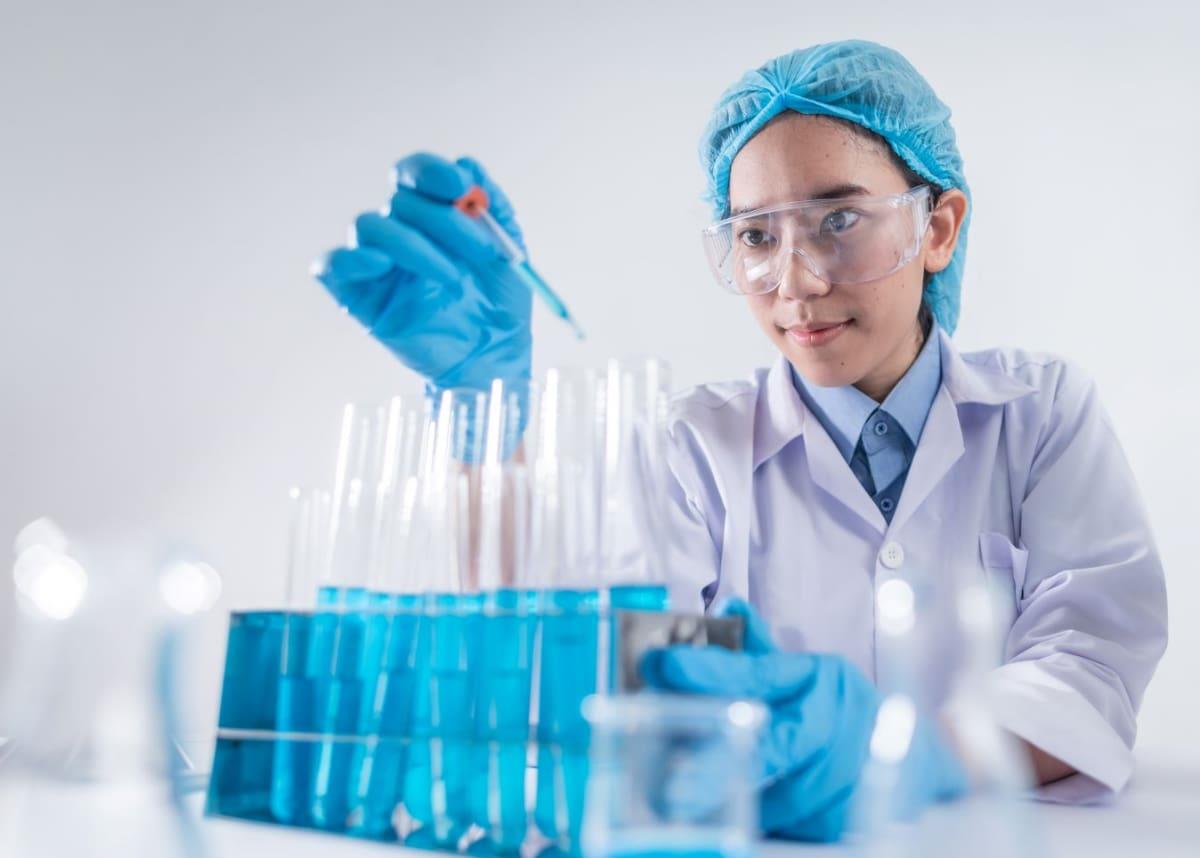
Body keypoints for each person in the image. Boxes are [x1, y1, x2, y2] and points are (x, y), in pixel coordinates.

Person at [314, 40, 1167, 841]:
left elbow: (1090, 668)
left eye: (838, 220)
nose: (794, 281)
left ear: (935, 229)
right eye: (757, 235)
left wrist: (913, 753)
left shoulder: (1040, 410)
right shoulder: (692, 445)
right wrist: (485, 419)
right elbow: (590, 662)